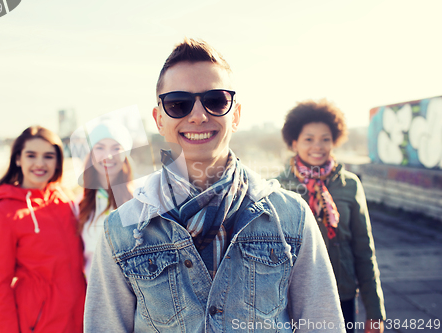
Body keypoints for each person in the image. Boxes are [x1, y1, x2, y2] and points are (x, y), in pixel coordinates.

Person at [84, 38, 345, 332]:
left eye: (216, 100)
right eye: (178, 104)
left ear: (235, 115)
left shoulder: (291, 217)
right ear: (159, 119)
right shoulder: (122, 229)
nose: (198, 115)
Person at [277, 100, 386, 333]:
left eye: (325, 139)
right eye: (309, 139)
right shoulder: (278, 187)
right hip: (293, 296)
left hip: (342, 293)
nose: (318, 146)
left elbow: (364, 249)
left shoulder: (350, 185)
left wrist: (375, 312)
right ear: (294, 142)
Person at [0, 126, 86, 333]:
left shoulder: (64, 199)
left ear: (57, 161)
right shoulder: (3, 214)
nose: (40, 163)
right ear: (18, 159)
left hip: (82, 316)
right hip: (40, 323)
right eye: (31, 155)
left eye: (48, 156)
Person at [78, 121, 135, 280]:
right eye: (100, 147)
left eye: (116, 148)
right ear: (91, 154)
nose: (108, 156)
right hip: (95, 294)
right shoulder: (79, 204)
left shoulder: (141, 199)